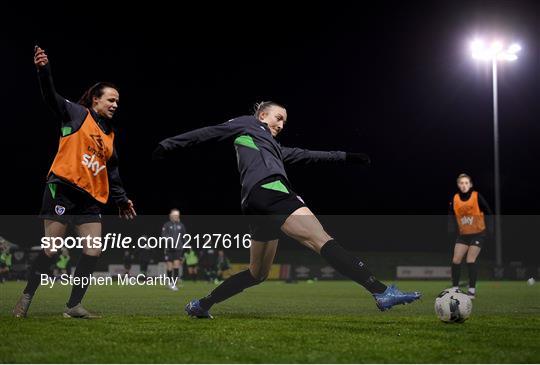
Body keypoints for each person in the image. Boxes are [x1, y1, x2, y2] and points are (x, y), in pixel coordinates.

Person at [154, 101, 421, 318]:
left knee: (256, 273)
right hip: (271, 191)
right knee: (321, 239)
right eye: (278, 118)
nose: (281, 125)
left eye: (284, 121)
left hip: (254, 204)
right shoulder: (248, 125)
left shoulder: (274, 148)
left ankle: (202, 304)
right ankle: (380, 291)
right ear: (261, 114)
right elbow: (210, 131)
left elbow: (307, 154)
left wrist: (345, 157)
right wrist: (170, 144)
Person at [13, 46, 136, 319]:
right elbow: (50, 98)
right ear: (95, 99)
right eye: (111, 100)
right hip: (63, 191)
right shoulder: (77, 114)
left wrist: (122, 199)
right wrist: (44, 71)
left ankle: (73, 306)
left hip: (90, 200)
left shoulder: (110, 136)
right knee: (52, 250)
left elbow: (112, 173)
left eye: (118, 102)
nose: (115, 105)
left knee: (93, 251)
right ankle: (26, 297)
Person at [448, 173, 493, 299]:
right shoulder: (455, 198)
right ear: (458, 185)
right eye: (461, 183)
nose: (464, 185)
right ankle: (455, 289)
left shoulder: (476, 196)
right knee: (456, 260)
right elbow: (451, 214)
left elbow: (488, 212)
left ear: (470, 184)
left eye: (466, 183)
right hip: (464, 235)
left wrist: (491, 230)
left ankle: (471, 290)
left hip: (478, 234)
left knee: (470, 260)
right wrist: (451, 229)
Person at [161, 209, 186, 291]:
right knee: (169, 267)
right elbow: (163, 236)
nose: (176, 216)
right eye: (174, 215)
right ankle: (170, 283)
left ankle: (174, 284)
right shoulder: (167, 225)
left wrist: (186, 246)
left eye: (177, 215)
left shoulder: (181, 225)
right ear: (171, 216)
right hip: (169, 249)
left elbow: (184, 237)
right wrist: (168, 240)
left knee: (176, 266)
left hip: (178, 249)